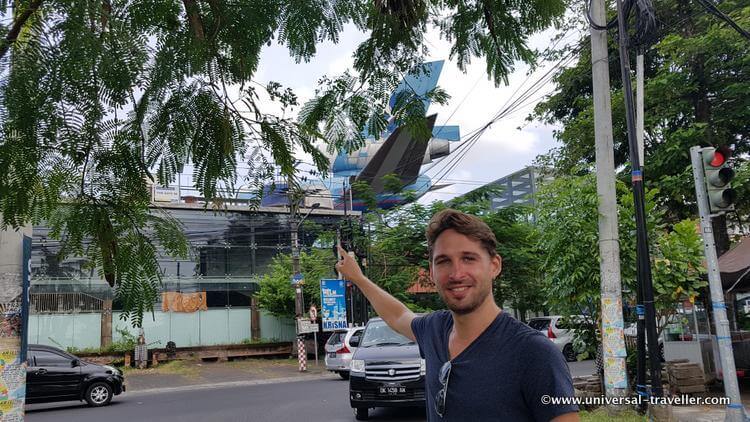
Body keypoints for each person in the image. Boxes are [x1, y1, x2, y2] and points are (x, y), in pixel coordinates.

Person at [336, 209, 579, 421]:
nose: (456, 273)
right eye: (443, 261)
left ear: (494, 266)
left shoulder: (534, 353)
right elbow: (398, 316)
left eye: (468, 258)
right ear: (431, 272)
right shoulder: (435, 329)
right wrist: (358, 278)